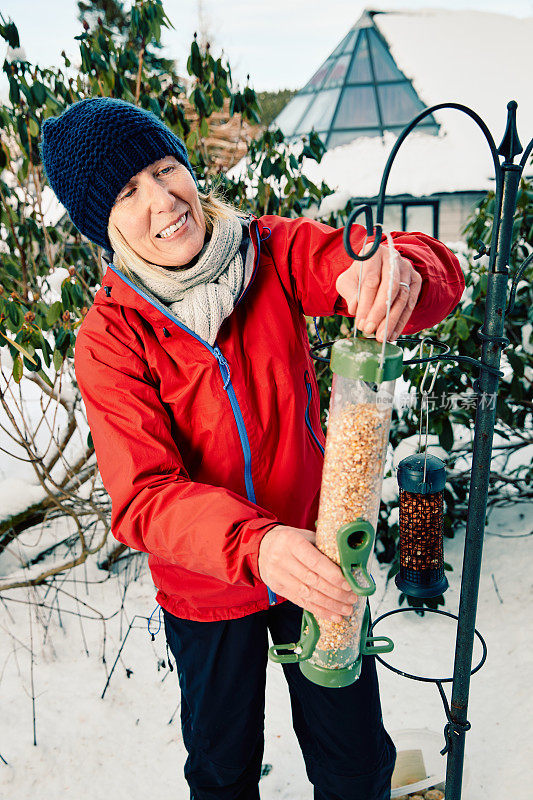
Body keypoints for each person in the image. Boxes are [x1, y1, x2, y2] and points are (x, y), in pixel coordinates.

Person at [40, 97, 464, 800]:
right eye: (126, 191)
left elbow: (387, 260)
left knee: (355, 758)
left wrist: (399, 271)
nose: (162, 199)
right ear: (101, 226)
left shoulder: (270, 250)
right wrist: (256, 546)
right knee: (220, 766)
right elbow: (144, 496)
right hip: (206, 588)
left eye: (163, 168)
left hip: (324, 553)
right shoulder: (112, 338)